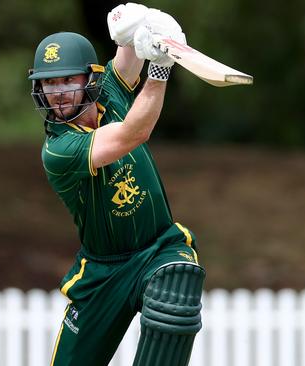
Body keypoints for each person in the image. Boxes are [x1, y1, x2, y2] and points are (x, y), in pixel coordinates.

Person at [28, 4, 205, 366]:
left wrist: (143, 24)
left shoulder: (110, 91)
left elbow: (126, 54)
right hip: (103, 272)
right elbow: (133, 133)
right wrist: (160, 67)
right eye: (49, 83)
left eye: (66, 80)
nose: (57, 92)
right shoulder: (58, 149)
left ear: (90, 79)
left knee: (177, 285)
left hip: (159, 248)